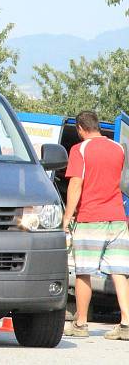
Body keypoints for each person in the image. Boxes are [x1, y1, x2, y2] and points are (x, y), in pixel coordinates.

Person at [62, 111, 129, 340]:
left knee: (84, 271)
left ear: (80, 128)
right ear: (98, 126)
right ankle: (126, 323)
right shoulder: (119, 148)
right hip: (118, 218)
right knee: (120, 272)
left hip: (91, 218)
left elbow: (76, 185)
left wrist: (67, 216)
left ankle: (80, 323)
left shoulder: (80, 149)